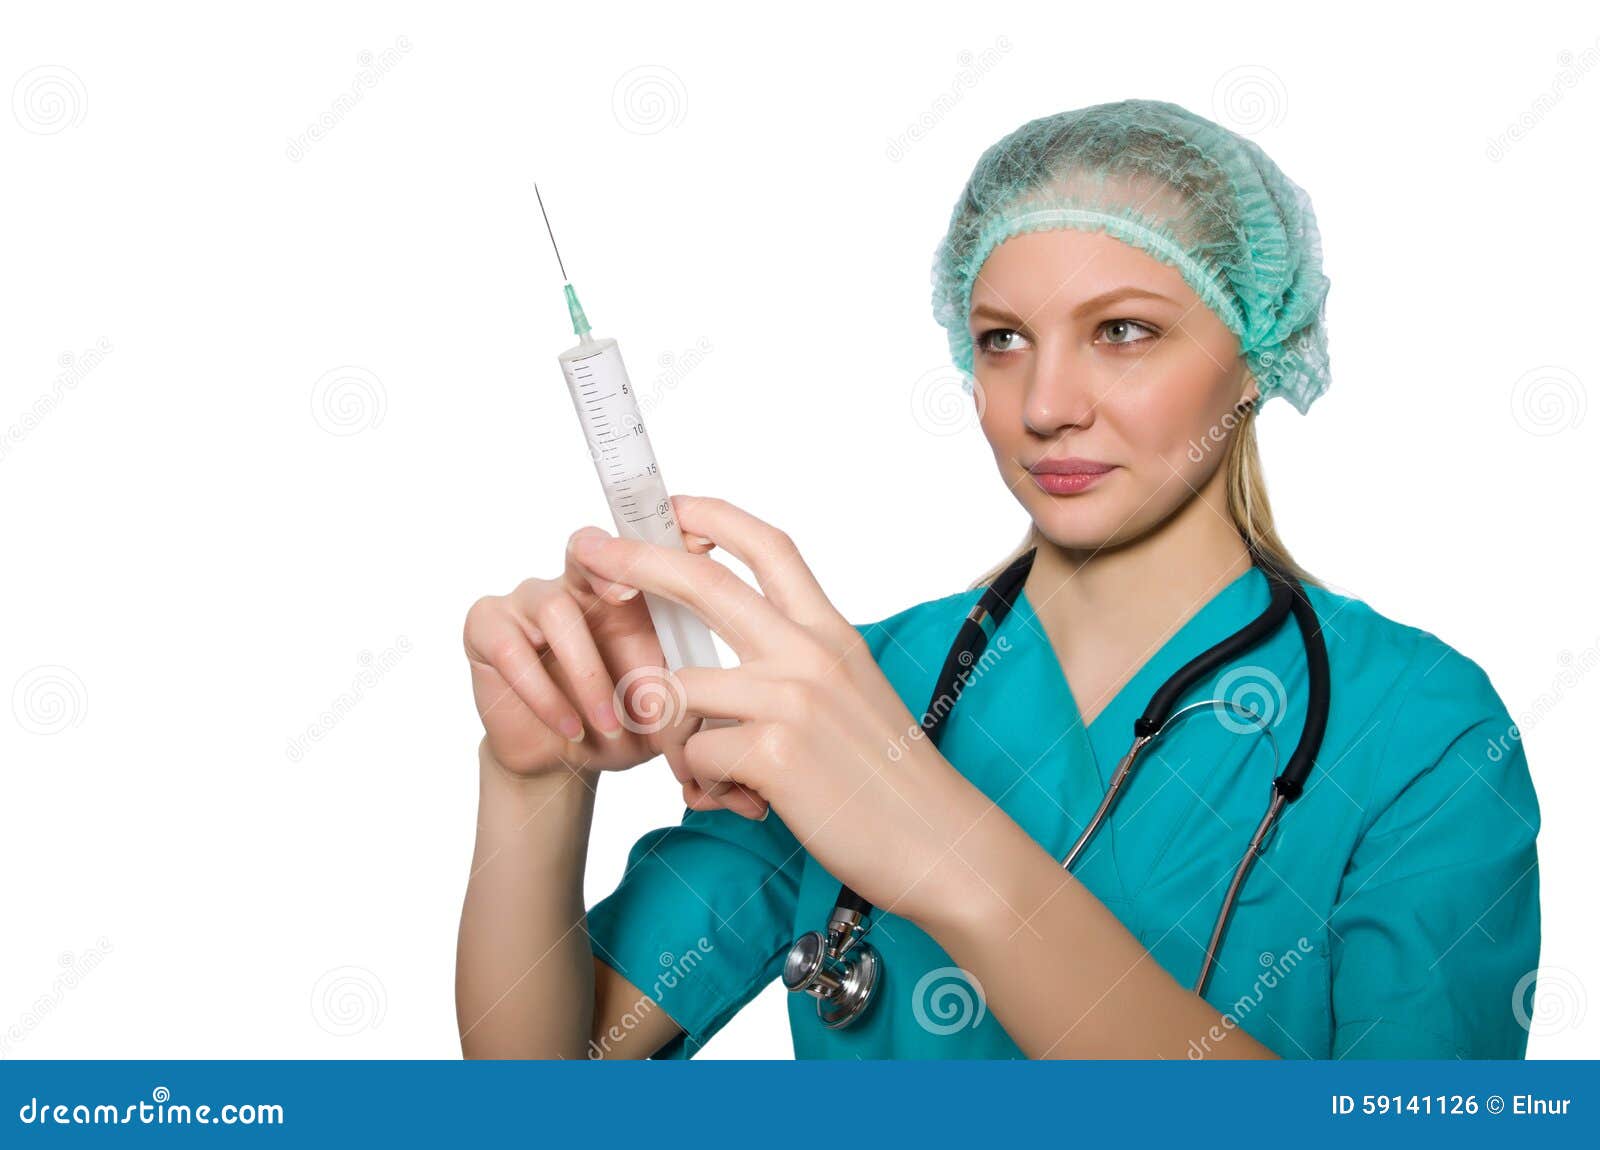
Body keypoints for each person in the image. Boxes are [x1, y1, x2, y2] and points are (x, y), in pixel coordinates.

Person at [454, 99, 1540, 1060]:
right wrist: (535, 778)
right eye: (1004, 339)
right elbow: (542, 1100)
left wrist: (945, 851)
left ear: (1258, 350)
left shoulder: (1417, 730)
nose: (1045, 405)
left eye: (1123, 331)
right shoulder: (848, 689)